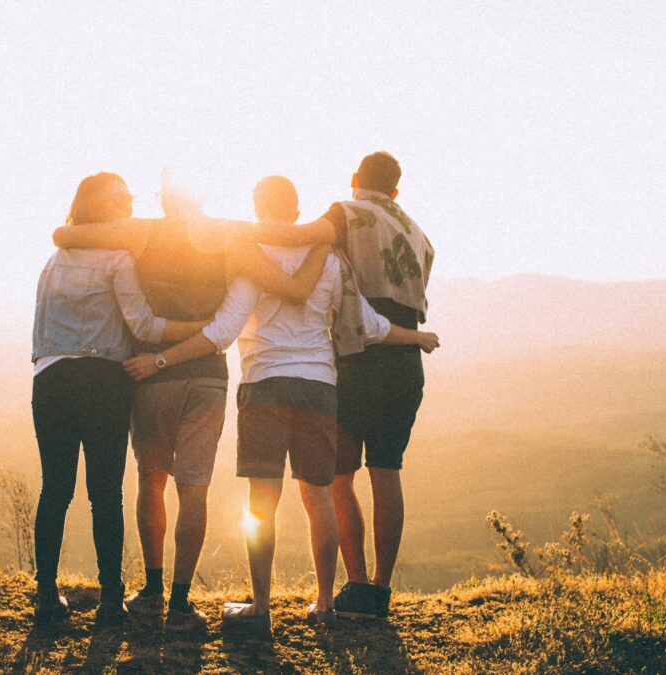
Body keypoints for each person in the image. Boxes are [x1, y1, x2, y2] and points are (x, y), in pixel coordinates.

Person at [123, 176, 439, 630]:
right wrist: (417, 337)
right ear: (296, 212)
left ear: (256, 208)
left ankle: (261, 608)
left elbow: (223, 331)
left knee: (262, 502)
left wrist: (161, 359)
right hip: (319, 388)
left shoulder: (251, 256)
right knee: (319, 498)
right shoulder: (330, 259)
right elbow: (369, 325)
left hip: (265, 384)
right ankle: (326, 604)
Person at [50, 173, 329, 631]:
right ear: (204, 195)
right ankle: (181, 602)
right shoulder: (230, 235)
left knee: (151, 479)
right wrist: (324, 239)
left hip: (150, 376)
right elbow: (287, 273)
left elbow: (66, 234)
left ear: (164, 199)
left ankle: (152, 589)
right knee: (193, 488)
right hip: (207, 377)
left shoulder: (142, 231)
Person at [237, 152, 435, 620]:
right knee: (387, 472)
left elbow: (297, 236)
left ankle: (355, 586)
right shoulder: (420, 234)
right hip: (404, 359)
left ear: (354, 180)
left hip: (358, 357)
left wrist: (229, 233)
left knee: (336, 478)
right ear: (396, 190)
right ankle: (379, 593)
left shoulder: (346, 214)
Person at [30, 172, 209, 627]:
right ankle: (111, 600)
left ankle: (46, 596)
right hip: (102, 382)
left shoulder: (54, 260)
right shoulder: (117, 258)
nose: (130, 202)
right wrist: (202, 329)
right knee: (104, 494)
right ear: (101, 207)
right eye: (121, 198)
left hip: (50, 379)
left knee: (55, 490)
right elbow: (144, 327)